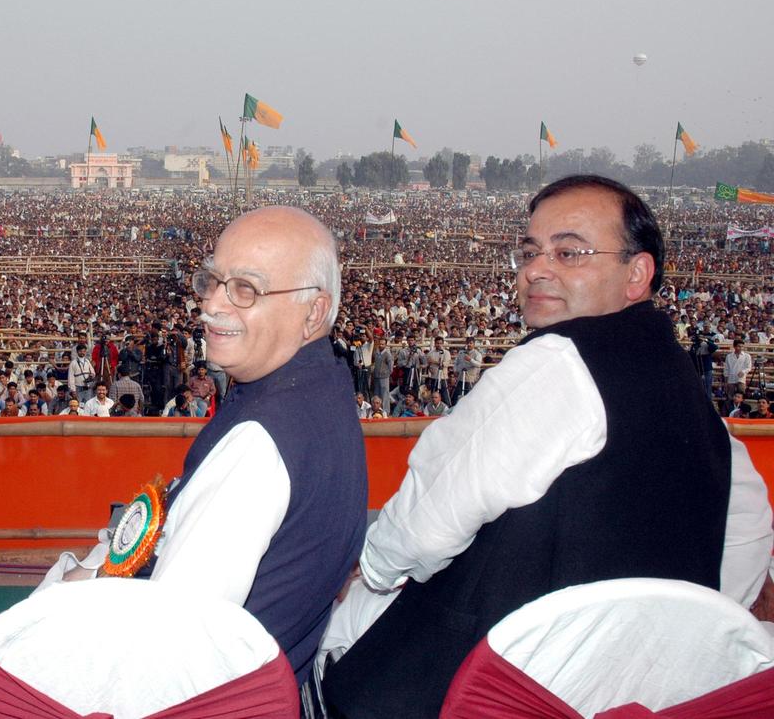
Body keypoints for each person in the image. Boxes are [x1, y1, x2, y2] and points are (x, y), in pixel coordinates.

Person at [323, 175, 773, 718]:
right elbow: (746, 533)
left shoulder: (556, 360)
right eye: (530, 251)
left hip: (481, 689)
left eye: (569, 252)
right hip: (626, 694)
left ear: (637, 274)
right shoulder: (692, 396)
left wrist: (366, 570)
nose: (536, 268)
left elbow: (423, 525)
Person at [42, 206, 368, 690]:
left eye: (246, 290)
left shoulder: (259, 445)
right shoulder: (322, 387)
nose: (212, 305)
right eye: (213, 281)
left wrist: (70, 600)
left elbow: (171, 647)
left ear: (313, 312)